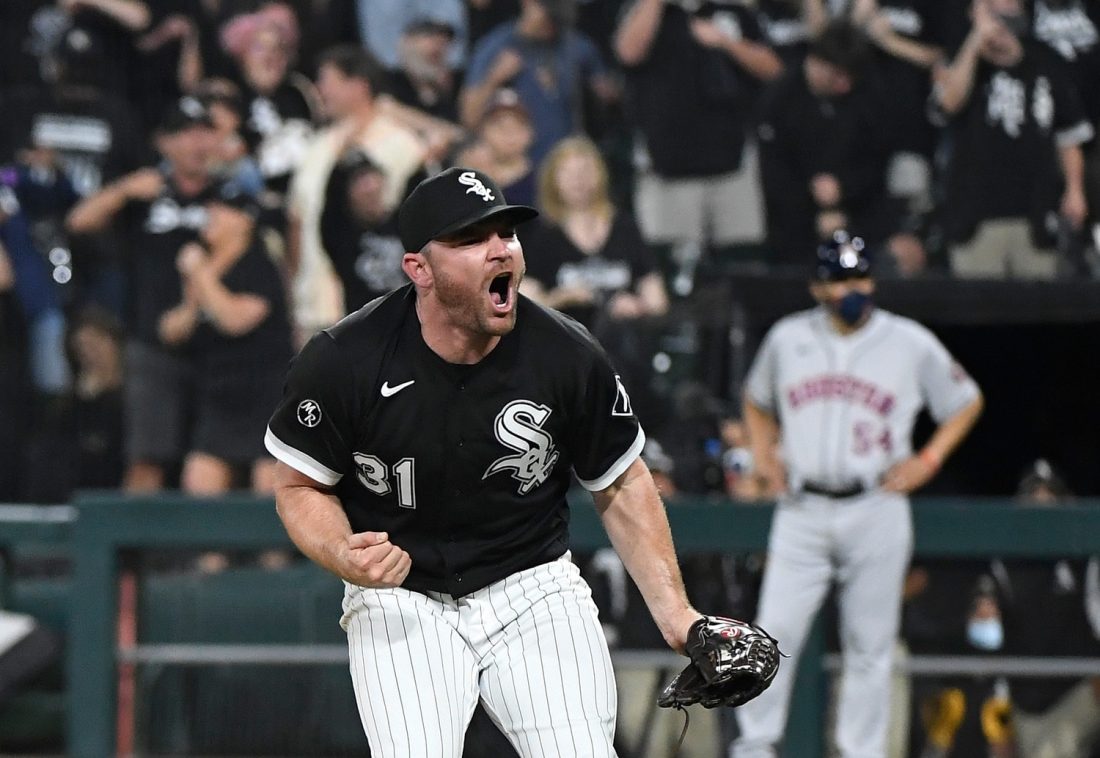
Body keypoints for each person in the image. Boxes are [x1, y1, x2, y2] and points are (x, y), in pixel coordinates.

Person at [265, 166, 711, 755]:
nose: (500, 249)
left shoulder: (567, 353)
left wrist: (676, 614)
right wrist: (341, 552)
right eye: (472, 239)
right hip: (403, 593)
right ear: (418, 269)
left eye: (507, 233)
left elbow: (621, 481)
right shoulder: (345, 359)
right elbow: (299, 487)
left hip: (531, 586)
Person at [731, 230, 985, 758]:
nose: (853, 287)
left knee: (871, 646)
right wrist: (764, 456)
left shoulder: (908, 341)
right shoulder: (787, 337)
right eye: (841, 278)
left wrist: (929, 460)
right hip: (801, 507)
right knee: (772, 633)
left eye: (860, 275)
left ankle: (861, 753)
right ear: (817, 286)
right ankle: (755, 747)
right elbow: (756, 401)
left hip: (875, 506)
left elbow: (964, 401)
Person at [932, 0, 1093, 280]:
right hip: (976, 217)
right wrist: (974, 44)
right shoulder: (961, 59)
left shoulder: (1047, 60)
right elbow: (948, 103)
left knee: (1038, 312)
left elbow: (1068, 136)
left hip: (1036, 214)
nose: (1000, 22)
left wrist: (1075, 189)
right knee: (979, 312)